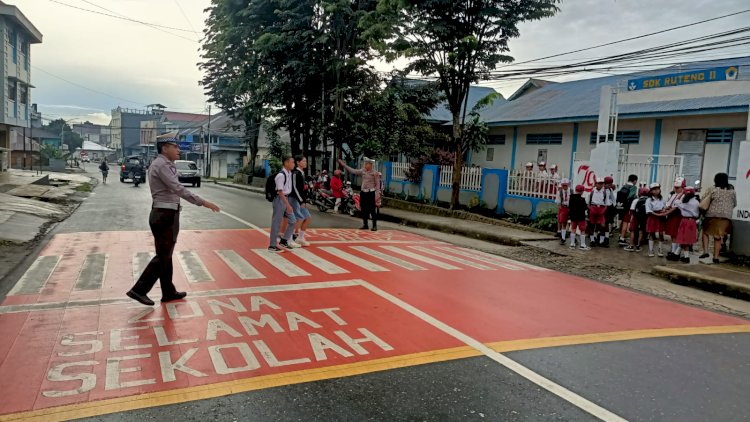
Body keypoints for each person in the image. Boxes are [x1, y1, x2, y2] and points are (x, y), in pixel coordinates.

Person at [126, 135, 221, 306]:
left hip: (165, 213)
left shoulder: (164, 164)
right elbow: (178, 189)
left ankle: (168, 291)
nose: (179, 150)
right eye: (175, 146)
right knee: (163, 255)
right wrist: (204, 203)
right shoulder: (162, 165)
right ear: (164, 148)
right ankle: (139, 290)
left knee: (166, 255)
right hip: (164, 215)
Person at [700, 172, 737, 264]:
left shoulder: (713, 189)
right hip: (726, 217)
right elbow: (735, 204)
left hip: (712, 215)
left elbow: (703, 200)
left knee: (705, 232)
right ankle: (716, 257)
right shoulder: (732, 192)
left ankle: (705, 251)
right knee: (718, 237)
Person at [339, 157, 381, 231]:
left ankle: (374, 226)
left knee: (372, 210)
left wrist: (377, 196)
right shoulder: (363, 171)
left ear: (370, 165)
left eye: (366, 164)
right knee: (363, 209)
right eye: (365, 164)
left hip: (370, 193)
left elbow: (378, 185)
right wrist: (344, 165)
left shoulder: (375, 173)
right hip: (363, 193)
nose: (365, 165)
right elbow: (353, 171)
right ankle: (365, 224)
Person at [268, 156, 298, 252]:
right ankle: (272, 246)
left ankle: (284, 240)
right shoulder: (281, 175)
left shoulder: (289, 173)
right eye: (292, 162)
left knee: (293, 221)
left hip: (286, 198)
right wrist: (288, 205)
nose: (294, 164)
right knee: (276, 222)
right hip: (280, 199)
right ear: (286, 163)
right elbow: (280, 192)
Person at [663, 177, 686, 261]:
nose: (676, 189)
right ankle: (673, 251)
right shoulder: (674, 194)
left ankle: (676, 252)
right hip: (672, 216)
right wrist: (664, 210)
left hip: (678, 216)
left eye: (678, 188)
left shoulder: (683, 196)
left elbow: (675, 207)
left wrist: (664, 213)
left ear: (682, 187)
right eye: (675, 187)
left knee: (676, 234)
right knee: (673, 235)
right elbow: (668, 204)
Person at [291, 156, 312, 246]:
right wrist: (301, 201)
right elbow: (295, 188)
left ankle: (300, 237)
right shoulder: (296, 173)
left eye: (306, 161)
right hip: (296, 200)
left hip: (302, 200)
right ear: (298, 162)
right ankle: (290, 237)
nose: (305, 162)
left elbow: (302, 188)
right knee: (299, 219)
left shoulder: (302, 173)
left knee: (307, 218)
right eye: (303, 161)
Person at [675, 187, 700, 264]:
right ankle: (676, 254)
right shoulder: (696, 202)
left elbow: (676, 201)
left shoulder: (685, 202)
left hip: (685, 221)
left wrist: (681, 193)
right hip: (692, 221)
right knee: (685, 239)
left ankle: (686, 257)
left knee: (684, 240)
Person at [625, 187, 650, 252]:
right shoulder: (649, 201)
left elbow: (632, 210)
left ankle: (631, 246)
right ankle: (638, 247)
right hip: (644, 219)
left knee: (633, 231)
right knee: (641, 232)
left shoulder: (636, 200)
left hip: (635, 218)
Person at [588, 177, 611, 247]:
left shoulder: (604, 192)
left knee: (602, 226)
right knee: (592, 225)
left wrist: (604, 210)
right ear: (596, 184)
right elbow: (588, 202)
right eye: (599, 183)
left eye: (602, 184)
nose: (600, 185)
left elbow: (607, 202)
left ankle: (601, 241)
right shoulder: (592, 192)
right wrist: (590, 209)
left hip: (601, 209)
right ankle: (592, 240)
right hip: (593, 208)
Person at [645, 182, 666, 257]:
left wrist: (663, 210)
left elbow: (664, 207)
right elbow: (649, 211)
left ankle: (660, 249)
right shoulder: (649, 200)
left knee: (661, 233)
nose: (657, 191)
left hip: (661, 217)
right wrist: (658, 214)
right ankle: (651, 250)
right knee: (652, 233)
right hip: (653, 217)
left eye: (658, 189)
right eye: (654, 189)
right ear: (651, 191)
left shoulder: (662, 199)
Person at [616, 174, 639, 245]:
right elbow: (632, 197)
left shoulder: (624, 186)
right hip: (628, 207)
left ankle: (620, 236)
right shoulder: (633, 188)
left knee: (622, 221)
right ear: (635, 180)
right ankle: (622, 239)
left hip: (621, 207)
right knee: (625, 222)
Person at [568, 185, 589, 250]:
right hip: (581, 217)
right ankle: (582, 245)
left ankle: (572, 244)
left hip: (573, 216)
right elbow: (585, 208)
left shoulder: (571, 198)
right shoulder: (582, 199)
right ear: (582, 191)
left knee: (573, 229)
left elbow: (569, 207)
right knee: (582, 230)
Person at [555, 178, 572, 244]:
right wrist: (561, 209)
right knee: (563, 222)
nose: (565, 187)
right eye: (563, 185)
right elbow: (558, 202)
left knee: (572, 223)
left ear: (568, 185)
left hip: (570, 208)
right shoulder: (560, 192)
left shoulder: (571, 191)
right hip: (563, 207)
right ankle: (563, 238)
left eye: (566, 185)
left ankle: (572, 237)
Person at [602, 176, 617, 246]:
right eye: (608, 184)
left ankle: (606, 239)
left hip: (608, 208)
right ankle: (600, 238)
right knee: (601, 224)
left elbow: (613, 199)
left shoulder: (610, 190)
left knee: (606, 223)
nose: (610, 185)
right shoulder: (602, 190)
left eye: (611, 184)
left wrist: (613, 205)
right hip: (602, 208)